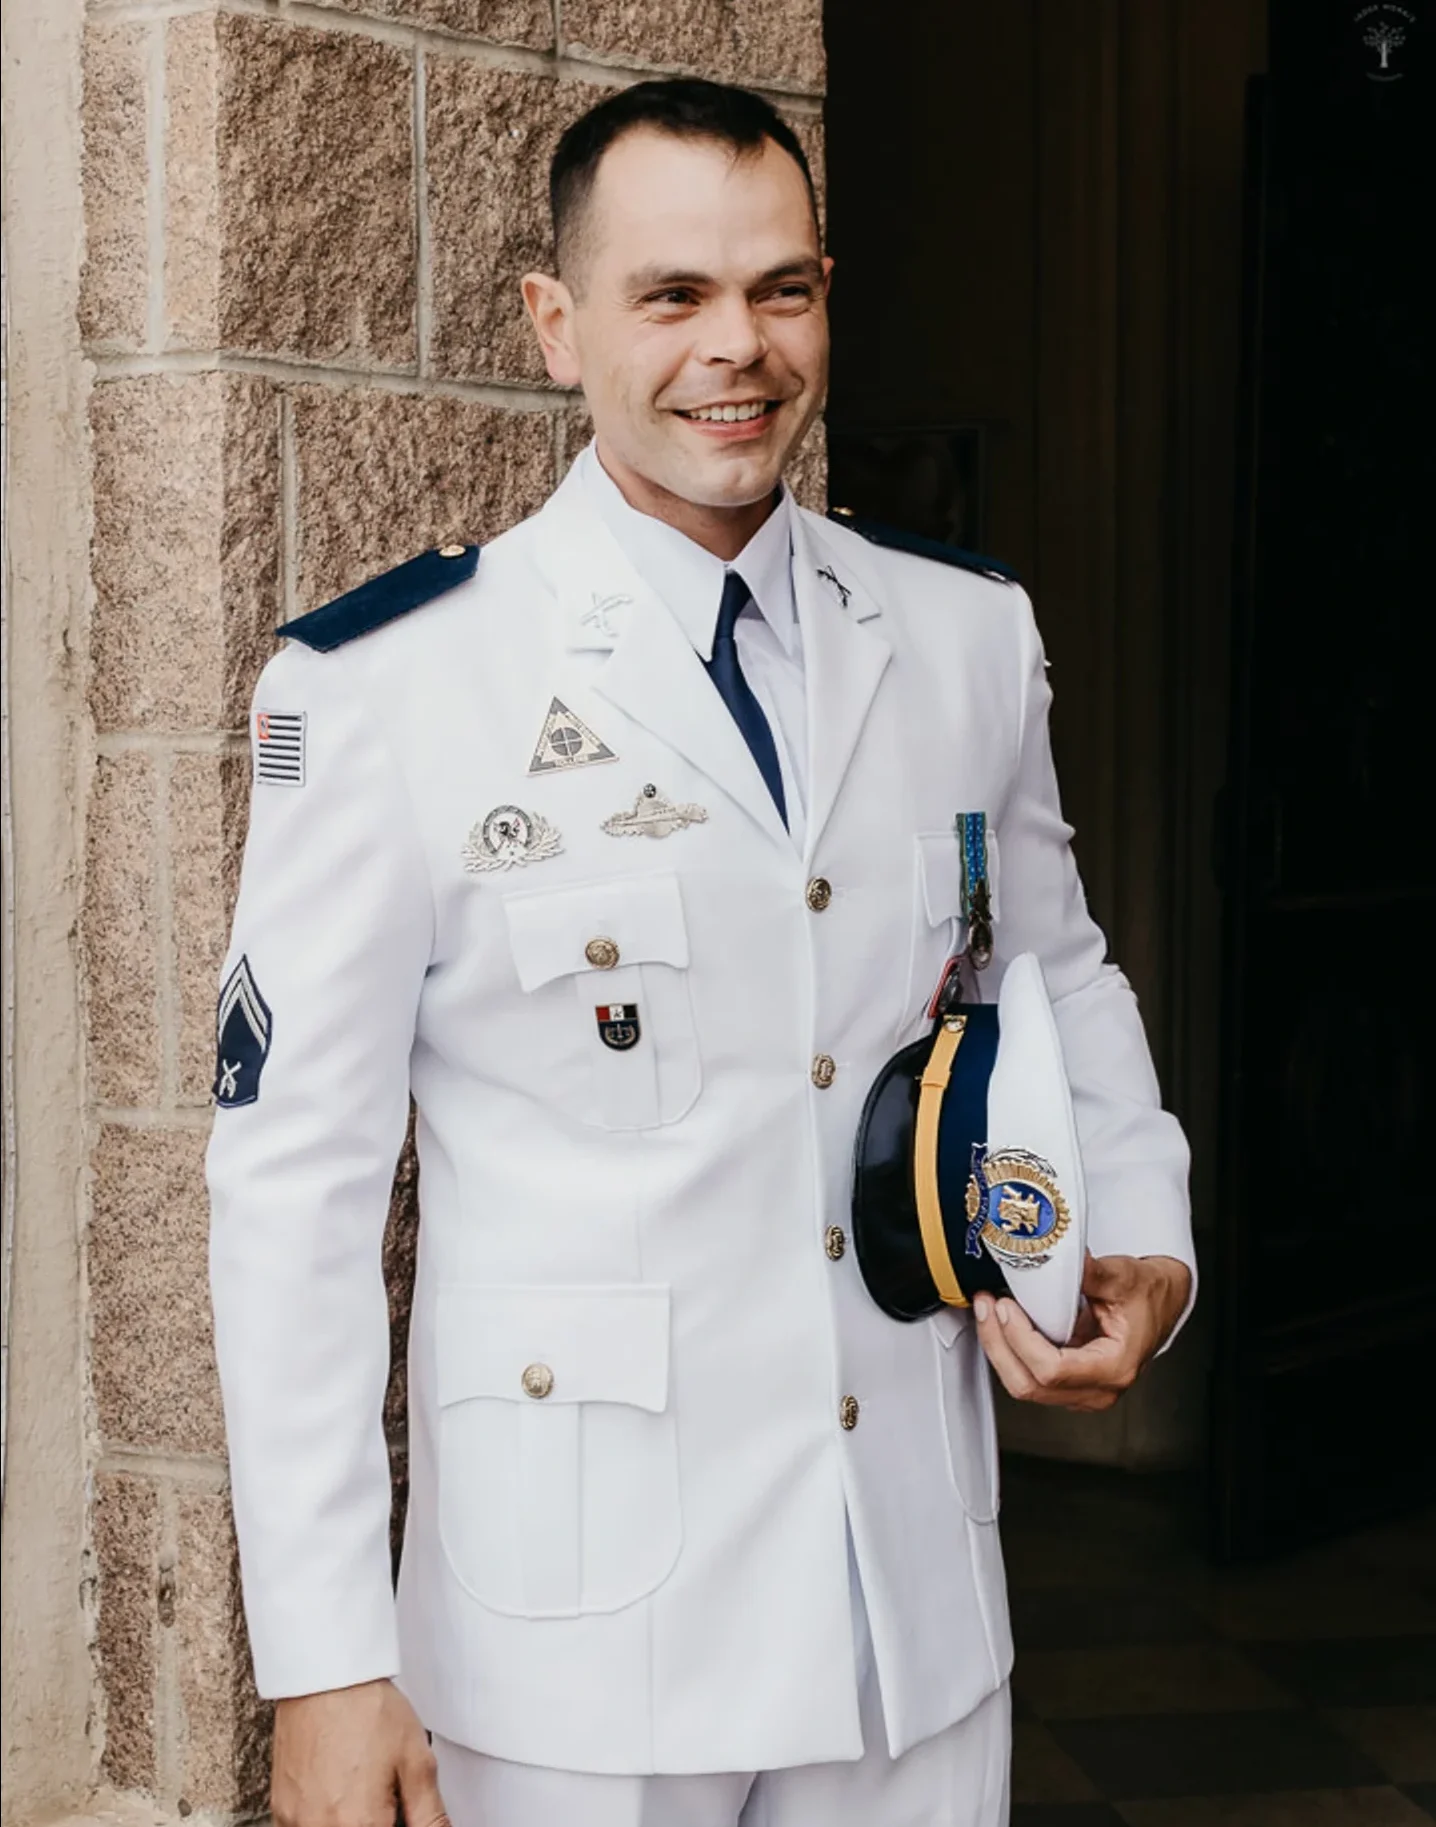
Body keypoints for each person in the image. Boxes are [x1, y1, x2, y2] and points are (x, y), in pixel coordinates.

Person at [207, 77, 1195, 1827]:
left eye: (782, 290)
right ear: (555, 320)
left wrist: (1140, 1239)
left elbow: (1060, 967)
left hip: (906, 1613)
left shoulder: (963, 634)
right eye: (673, 296)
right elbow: (295, 1191)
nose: (736, 349)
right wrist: (327, 1662)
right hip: (573, 1650)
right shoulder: (389, 688)